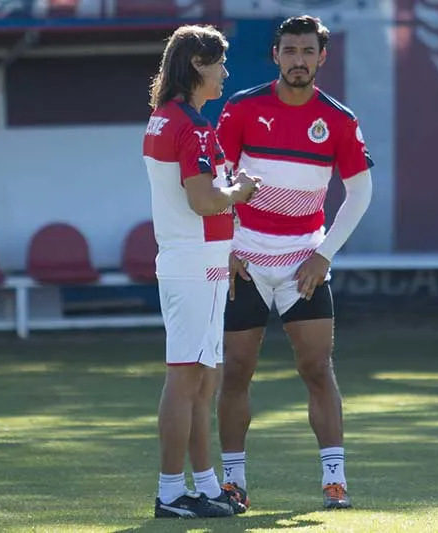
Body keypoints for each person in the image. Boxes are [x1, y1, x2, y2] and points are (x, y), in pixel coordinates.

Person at [215, 15, 373, 510]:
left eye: (308, 52)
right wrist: (227, 247)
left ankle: (334, 479)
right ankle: (234, 482)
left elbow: (361, 192)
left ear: (322, 57)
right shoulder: (242, 109)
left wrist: (324, 254)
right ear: (275, 55)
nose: (299, 60)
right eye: (290, 51)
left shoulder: (340, 119)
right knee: (236, 371)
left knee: (317, 368)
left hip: (304, 261)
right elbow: (213, 183)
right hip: (245, 261)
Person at [143, 24, 261, 519]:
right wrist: (241, 191)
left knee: (202, 379)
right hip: (195, 261)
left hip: (196, 259)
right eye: (219, 62)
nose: (225, 72)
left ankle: (205, 485)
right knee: (186, 378)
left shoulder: (166, 120)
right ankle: (171, 492)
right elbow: (203, 200)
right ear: (197, 63)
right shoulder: (188, 126)